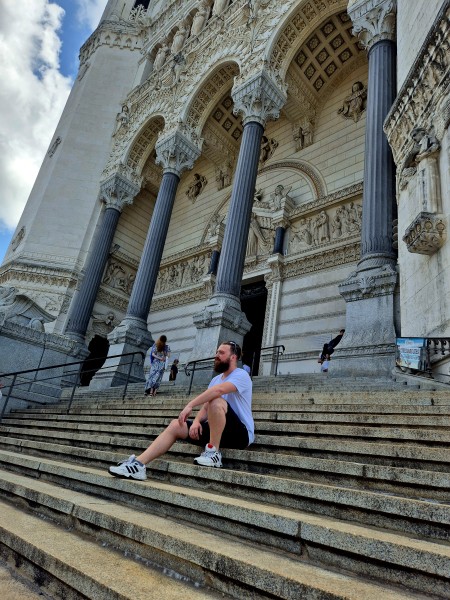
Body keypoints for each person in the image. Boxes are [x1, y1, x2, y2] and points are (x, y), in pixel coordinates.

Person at [108, 341, 253, 479]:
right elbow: (206, 406)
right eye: (216, 352)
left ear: (233, 357)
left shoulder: (241, 375)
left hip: (240, 435)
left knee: (217, 399)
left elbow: (218, 392)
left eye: (221, 353)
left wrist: (190, 405)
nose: (216, 355)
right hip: (216, 430)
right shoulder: (216, 379)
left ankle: (213, 453)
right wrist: (196, 421)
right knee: (176, 425)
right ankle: (139, 464)